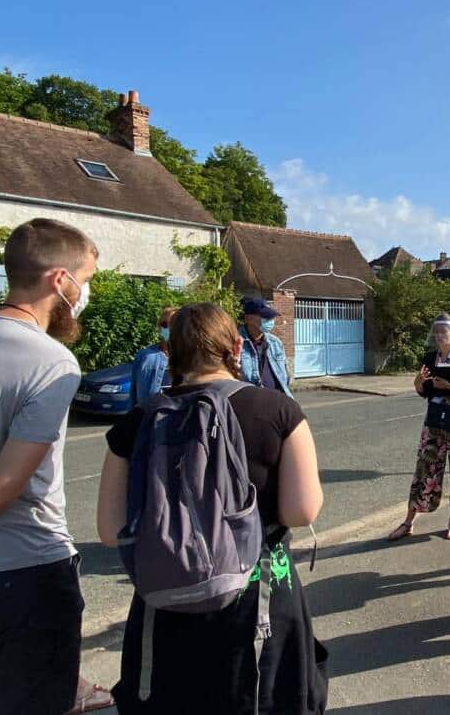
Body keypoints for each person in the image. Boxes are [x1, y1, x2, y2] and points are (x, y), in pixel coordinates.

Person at [97, 302, 328, 714]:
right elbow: (301, 511)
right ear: (236, 347)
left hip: (164, 598)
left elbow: (110, 527)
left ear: (170, 351)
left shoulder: (137, 420)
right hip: (258, 599)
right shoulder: (279, 411)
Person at [0, 218, 114, 714]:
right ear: (61, 281)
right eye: (89, 280)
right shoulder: (51, 362)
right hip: (24, 569)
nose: (87, 294)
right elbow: (1, 490)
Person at [387, 314, 450, 542]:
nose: (438, 336)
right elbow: (425, 391)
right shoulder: (430, 358)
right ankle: (408, 522)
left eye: (442, 332)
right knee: (425, 469)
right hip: (435, 421)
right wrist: (418, 383)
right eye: (435, 332)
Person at [239, 297, 292, 397]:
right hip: (251, 406)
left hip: (278, 402)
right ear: (248, 318)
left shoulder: (275, 343)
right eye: (265, 317)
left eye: (271, 317)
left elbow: (285, 377)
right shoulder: (235, 343)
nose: (271, 320)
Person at [130, 306, 177, 407]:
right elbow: (134, 398)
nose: (168, 328)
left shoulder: (192, 358)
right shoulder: (145, 357)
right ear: (159, 328)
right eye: (164, 324)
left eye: (173, 323)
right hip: (152, 419)